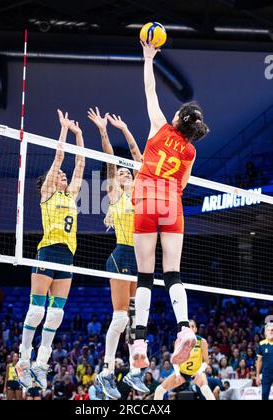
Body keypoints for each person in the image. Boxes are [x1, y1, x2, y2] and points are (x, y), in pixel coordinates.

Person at [130, 36, 209, 369]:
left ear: (178, 118)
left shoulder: (160, 127)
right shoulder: (190, 150)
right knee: (173, 272)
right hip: (171, 204)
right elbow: (184, 182)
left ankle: (138, 342)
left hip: (147, 199)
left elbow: (150, 91)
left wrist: (149, 58)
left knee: (145, 276)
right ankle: (182, 328)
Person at [16, 110, 85, 390]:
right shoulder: (48, 193)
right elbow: (59, 157)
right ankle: (23, 359)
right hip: (47, 252)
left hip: (67, 257)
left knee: (56, 315)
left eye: (63, 176)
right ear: (51, 180)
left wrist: (79, 134)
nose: (64, 175)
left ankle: (41, 364)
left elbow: (80, 162)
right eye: (59, 175)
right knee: (36, 312)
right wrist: (64, 130)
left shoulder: (71, 196)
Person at [88, 107, 149, 398]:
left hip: (141, 256)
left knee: (138, 318)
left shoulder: (140, 192)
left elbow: (140, 159)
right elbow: (111, 160)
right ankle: (106, 371)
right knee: (121, 318)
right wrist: (104, 130)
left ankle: (135, 373)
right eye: (121, 173)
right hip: (121, 255)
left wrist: (125, 129)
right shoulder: (115, 194)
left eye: (128, 173)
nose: (125, 174)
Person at [154, 320, 215, 400]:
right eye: (188, 327)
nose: (190, 328)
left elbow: (206, 361)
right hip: (182, 372)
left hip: (196, 372)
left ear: (196, 329)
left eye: (192, 326)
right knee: (159, 390)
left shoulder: (202, 342)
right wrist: (178, 374)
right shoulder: (179, 341)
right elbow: (175, 361)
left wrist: (199, 372)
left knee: (206, 390)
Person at [256, 322, 273, 400]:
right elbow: (259, 361)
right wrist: (257, 376)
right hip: (266, 374)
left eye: (272, 330)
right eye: (269, 330)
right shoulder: (261, 344)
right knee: (264, 395)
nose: (271, 331)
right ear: (265, 332)